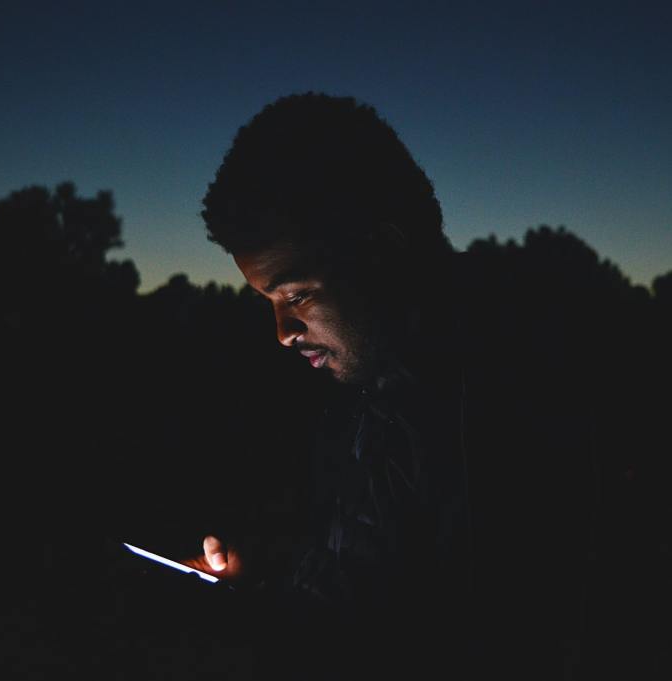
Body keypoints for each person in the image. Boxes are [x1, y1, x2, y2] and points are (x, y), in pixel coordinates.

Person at [188, 92, 593, 679]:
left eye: (296, 295)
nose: (282, 332)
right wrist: (256, 585)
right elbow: (356, 588)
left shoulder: (499, 412)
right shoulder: (372, 397)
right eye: (269, 303)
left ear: (384, 250)